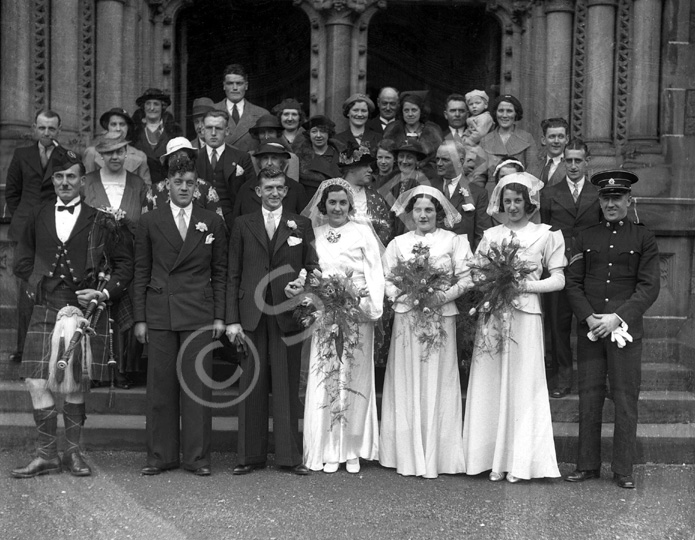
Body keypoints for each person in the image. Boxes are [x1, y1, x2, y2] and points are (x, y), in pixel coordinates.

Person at [11, 151, 133, 478]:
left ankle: (74, 453)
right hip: (45, 305)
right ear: (53, 181)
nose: (65, 182)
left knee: (76, 381)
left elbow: (124, 266)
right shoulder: (37, 215)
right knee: (37, 381)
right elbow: (20, 261)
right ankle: (47, 455)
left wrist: (103, 293)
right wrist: (37, 283)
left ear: (82, 180)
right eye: (59, 177)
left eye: (71, 177)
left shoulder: (101, 219)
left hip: (83, 309)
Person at [462, 172, 564, 483]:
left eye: (518, 200)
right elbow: (476, 274)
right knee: (491, 383)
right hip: (494, 314)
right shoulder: (492, 235)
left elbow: (558, 280)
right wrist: (494, 280)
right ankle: (489, 459)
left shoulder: (547, 234)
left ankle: (521, 462)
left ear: (529, 201)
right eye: (507, 201)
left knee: (523, 385)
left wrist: (523, 286)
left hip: (525, 316)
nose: (513, 206)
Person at [564, 170, 660, 490]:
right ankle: (587, 464)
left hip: (624, 332)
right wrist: (589, 317)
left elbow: (648, 288)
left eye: (617, 198)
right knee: (589, 397)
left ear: (628, 200)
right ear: (600, 201)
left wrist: (618, 317)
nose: (611, 204)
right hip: (591, 330)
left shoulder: (643, 237)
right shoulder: (585, 236)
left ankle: (623, 468)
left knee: (624, 398)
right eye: (605, 198)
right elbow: (573, 282)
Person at [133, 153, 227, 477]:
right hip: (160, 311)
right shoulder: (149, 221)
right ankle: (160, 456)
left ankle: (197, 458)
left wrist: (219, 316)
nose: (184, 188)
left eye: (189, 183)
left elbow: (221, 270)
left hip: (199, 311)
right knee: (160, 388)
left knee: (197, 388)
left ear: (196, 186)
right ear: (167, 185)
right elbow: (141, 270)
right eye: (178, 182)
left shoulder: (211, 221)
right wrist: (140, 318)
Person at [226, 166, 319, 476]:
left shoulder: (301, 224)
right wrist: (232, 320)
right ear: (258, 191)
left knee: (286, 385)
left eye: (280, 187)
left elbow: (312, 266)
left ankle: (289, 457)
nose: (275, 193)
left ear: (285, 190)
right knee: (250, 385)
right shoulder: (242, 224)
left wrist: (302, 287)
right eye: (269, 188)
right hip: (250, 314)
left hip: (286, 313)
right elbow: (233, 273)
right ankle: (249, 456)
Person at [379, 186, 471, 479]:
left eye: (429, 209)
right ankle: (405, 453)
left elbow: (467, 278)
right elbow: (386, 279)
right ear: (410, 213)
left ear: (439, 213)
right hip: (408, 319)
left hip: (440, 317)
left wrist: (439, 297)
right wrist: (407, 297)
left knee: (439, 378)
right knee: (407, 378)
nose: (423, 215)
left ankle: (439, 455)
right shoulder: (398, 243)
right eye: (417, 209)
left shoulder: (454, 241)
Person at [301, 179, 385, 473]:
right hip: (326, 314)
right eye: (332, 202)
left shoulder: (363, 233)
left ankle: (351, 448)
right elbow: (309, 270)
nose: (337, 208)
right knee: (327, 377)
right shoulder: (316, 233)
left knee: (354, 379)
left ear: (351, 206)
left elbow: (376, 272)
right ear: (323, 205)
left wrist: (367, 307)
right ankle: (326, 448)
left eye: (343, 203)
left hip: (357, 313)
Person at [82, 132, 149, 389]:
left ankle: (124, 370)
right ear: (100, 155)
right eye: (109, 152)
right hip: (95, 255)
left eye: (120, 151)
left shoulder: (136, 184)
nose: (115, 157)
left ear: (127, 153)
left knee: (126, 311)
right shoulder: (87, 181)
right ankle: (99, 370)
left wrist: (124, 221)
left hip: (129, 258)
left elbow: (145, 220)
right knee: (98, 310)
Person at [540, 139, 601, 398]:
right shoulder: (549, 193)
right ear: (562, 162)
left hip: (591, 268)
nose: (573, 166)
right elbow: (544, 231)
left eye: (578, 160)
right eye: (569, 160)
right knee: (558, 323)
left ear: (587, 162)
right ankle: (562, 378)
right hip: (559, 269)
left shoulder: (598, 193)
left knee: (593, 322)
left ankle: (595, 380)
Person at [5, 110, 66, 364]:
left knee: (53, 288)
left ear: (58, 131)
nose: (47, 133)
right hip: (25, 231)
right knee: (25, 290)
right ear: (34, 128)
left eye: (52, 129)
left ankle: (51, 349)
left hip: (54, 228)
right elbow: (12, 193)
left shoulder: (67, 156)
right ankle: (22, 349)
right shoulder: (21, 155)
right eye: (42, 128)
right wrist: (25, 217)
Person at [195, 109, 256, 229]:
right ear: (202, 130)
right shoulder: (193, 158)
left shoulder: (242, 158)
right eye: (209, 128)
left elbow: (251, 192)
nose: (213, 133)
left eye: (218, 128)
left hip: (233, 221)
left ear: (227, 131)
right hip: (199, 220)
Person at [431, 140, 491, 250]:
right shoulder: (428, 188)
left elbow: (482, 235)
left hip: (463, 258)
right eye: (437, 159)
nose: (439, 163)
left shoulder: (478, 193)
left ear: (460, 161)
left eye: (445, 160)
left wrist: (474, 263)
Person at [336, 143, 395, 249]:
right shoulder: (332, 193)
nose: (370, 170)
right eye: (365, 166)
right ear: (351, 168)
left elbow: (386, 227)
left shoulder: (376, 197)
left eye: (370, 166)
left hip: (371, 256)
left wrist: (370, 248)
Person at [233, 139, 308, 221]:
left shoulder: (296, 189)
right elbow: (237, 223)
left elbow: (304, 223)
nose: (269, 163)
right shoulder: (246, 188)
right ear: (259, 162)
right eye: (265, 158)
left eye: (274, 158)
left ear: (281, 162)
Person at [149, 137, 222, 219]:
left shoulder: (206, 188)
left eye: (183, 156)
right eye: (173, 157)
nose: (178, 160)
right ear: (167, 162)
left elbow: (218, 224)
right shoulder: (154, 191)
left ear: (191, 159)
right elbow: (145, 224)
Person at [480, 94, 538, 187]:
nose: (504, 115)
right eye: (501, 111)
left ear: (516, 114)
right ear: (495, 113)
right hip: (491, 193)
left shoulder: (527, 138)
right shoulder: (485, 140)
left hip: (518, 190)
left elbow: (533, 172)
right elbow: (479, 177)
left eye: (509, 111)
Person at [383, 92, 443, 181]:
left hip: (426, 179)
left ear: (421, 111)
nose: (410, 114)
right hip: (396, 179)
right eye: (406, 110)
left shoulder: (433, 132)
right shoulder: (392, 131)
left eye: (414, 110)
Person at [83, 107, 151, 185]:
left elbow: (146, 188)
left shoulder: (140, 156)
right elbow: (86, 185)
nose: (118, 129)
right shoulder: (92, 153)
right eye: (113, 124)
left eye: (122, 124)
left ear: (128, 127)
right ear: (107, 127)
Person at [131, 88, 182, 186]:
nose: (152, 108)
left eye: (156, 104)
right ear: (143, 107)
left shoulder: (174, 131)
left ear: (163, 107)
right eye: (148, 104)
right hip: (141, 184)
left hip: (167, 185)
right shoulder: (134, 131)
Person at [214, 63, 269, 152]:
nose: (235, 88)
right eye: (230, 83)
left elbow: (268, 148)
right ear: (224, 85)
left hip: (250, 164)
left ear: (246, 85)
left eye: (239, 83)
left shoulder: (262, 114)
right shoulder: (211, 111)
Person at [293, 114, 342, 199]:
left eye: (322, 131)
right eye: (314, 131)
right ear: (309, 134)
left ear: (329, 133)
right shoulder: (300, 158)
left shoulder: (342, 153)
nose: (318, 135)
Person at [248, 114, 300, 180]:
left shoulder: (291, 158)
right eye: (262, 132)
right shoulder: (250, 157)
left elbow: (293, 186)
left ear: (277, 134)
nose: (266, 136)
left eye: (270, 132)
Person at [530, 118, 569, 186]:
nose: (556, 141)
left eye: (561, 137)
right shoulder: (532, 167)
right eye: (552, 137)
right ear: (543, 140)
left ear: (567, 139)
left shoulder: (571, 167)